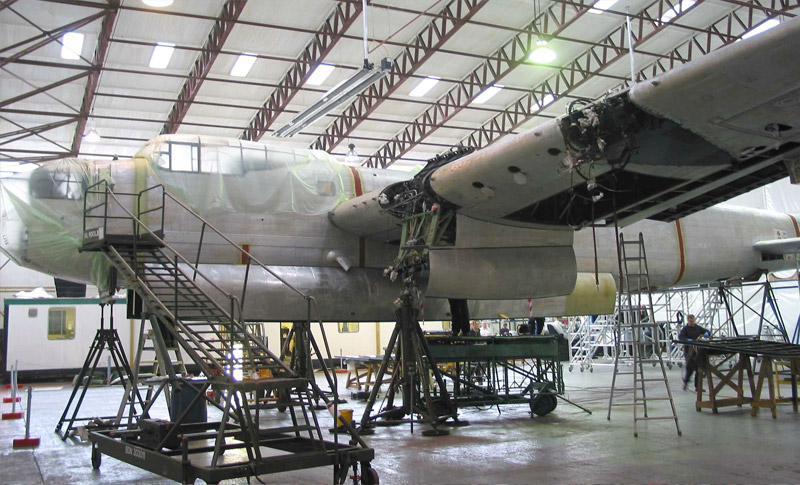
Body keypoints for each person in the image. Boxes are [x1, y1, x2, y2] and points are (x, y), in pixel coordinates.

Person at [678, 314, 709, 391]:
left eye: (692, 321)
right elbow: (680, 337)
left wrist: (707, 333)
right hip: (689, 350)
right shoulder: (685, 329)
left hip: (698, 350)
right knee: (690, 368)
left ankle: (698, 387)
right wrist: (687, 340)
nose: (691, 322)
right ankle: (685, 382)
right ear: (688, 321)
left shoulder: (697, 328)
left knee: (698, 368)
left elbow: (706, 331)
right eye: (690, 321)